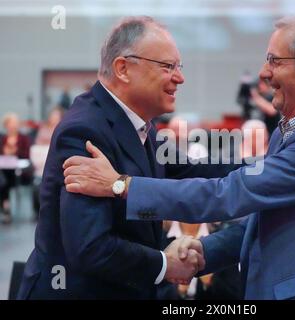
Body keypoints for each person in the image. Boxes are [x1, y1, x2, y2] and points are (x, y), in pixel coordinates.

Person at [63, 17, 295, 300]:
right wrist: (202, 251)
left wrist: (120, 185)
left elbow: (229, 193)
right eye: (167, 66)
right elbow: (262, 218)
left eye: (274, 61)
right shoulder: (293, 128)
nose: (264, 74)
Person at [18, 16, 216, 300]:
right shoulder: (85, 130)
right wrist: (164, 264)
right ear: (123, 68)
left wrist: (265, 166)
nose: (179, 77)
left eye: (178, 67)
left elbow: (193, 170)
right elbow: (90, 248)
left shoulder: (140, 124)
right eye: (167, 66)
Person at [0, 113, 32, 224]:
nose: (13, 126)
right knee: (2, 179)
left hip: (19, 172)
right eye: (10, 123)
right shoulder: (2, 139)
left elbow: (27, 155)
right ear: (6, 125)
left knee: (3, 182)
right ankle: (6, 207)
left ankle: (5, 207)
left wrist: (14, 152)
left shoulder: (23, 138)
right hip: (4, 171)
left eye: (15, 123)